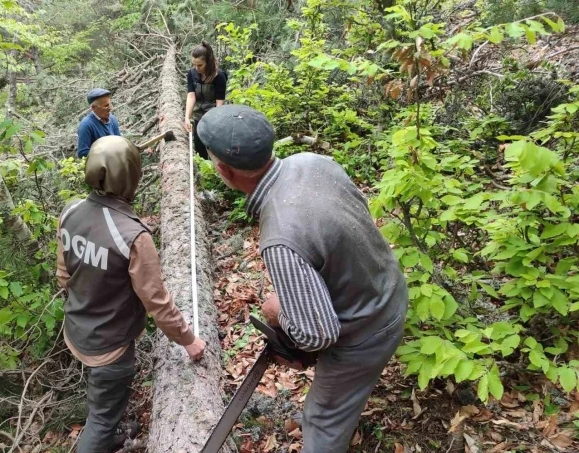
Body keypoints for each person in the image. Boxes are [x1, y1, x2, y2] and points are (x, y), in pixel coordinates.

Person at [197, 104, 408, 453]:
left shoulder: (280, 237)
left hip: (368, 331)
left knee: (321, 420)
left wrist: (281, 312)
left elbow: (317, 333)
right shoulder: (313, 162)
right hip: (389, 290)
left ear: (224, 170)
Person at [55, 135, 206, 453]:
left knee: (104, 400)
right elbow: (157, 301)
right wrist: (189, 340)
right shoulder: (133, 235)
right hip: (110, 347)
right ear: (131, 178)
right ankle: (105, 433)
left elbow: (63, 276)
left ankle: (109, 427)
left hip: (78, 331)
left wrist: (93, 297)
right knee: (99, 421)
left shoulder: (70, 213)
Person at [184, 41, 227, 160]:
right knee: (199, 149)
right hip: (198, 118)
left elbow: (219, 103)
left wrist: (215, 122)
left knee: (213, 150)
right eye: (194, 65)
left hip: (212, 118)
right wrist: (187, 117)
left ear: (208, 62)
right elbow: (191, 96)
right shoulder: (192, 74)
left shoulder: (219, 76)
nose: (196, 68)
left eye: (200, 65)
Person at [77, 88, 121, 159]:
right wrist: (106, 153)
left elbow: (120, 141)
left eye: (110, 104)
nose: (110, 108)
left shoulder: (112, 119)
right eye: (106, 106)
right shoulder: (86, 125)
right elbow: (82, 153)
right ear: (94, 107)